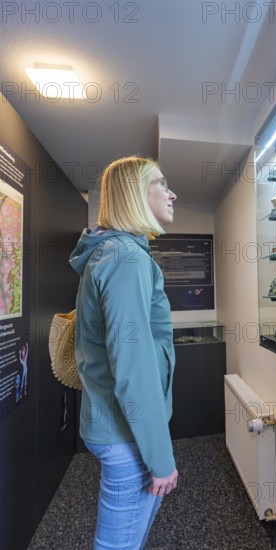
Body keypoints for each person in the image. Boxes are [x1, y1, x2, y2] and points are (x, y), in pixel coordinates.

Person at [69, 156, 178, 549]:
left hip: (118, 425)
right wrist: (161, 459)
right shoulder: (127, 258)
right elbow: (133, 366)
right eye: (162, 184)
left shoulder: (113, 253)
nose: (173, 193)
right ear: (135, 194)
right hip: (124, 432)